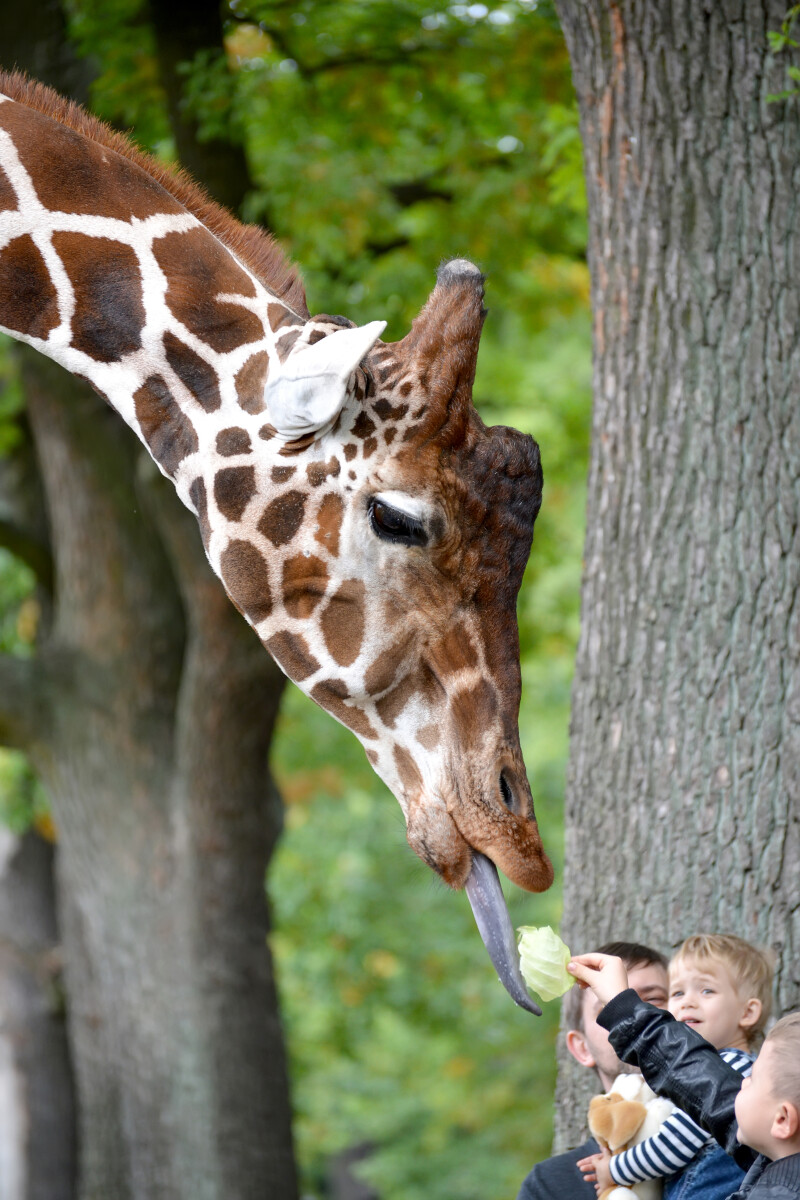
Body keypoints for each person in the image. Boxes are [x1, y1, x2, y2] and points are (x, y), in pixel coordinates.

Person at [568, 951, 800, 1200]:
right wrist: (622, 1008)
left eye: (753, 1080)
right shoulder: (773, 1164)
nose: (742, 1081)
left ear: (783, 1120)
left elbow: (683, 1131)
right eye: (677, 993)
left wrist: (615, 1169)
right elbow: (705, 1088)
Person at [516, 941, 669, 1200]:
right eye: (609, 1007)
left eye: (652, 999)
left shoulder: (729, 1136)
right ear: (582, 1048)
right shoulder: (550, 1186)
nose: (634, 1016)